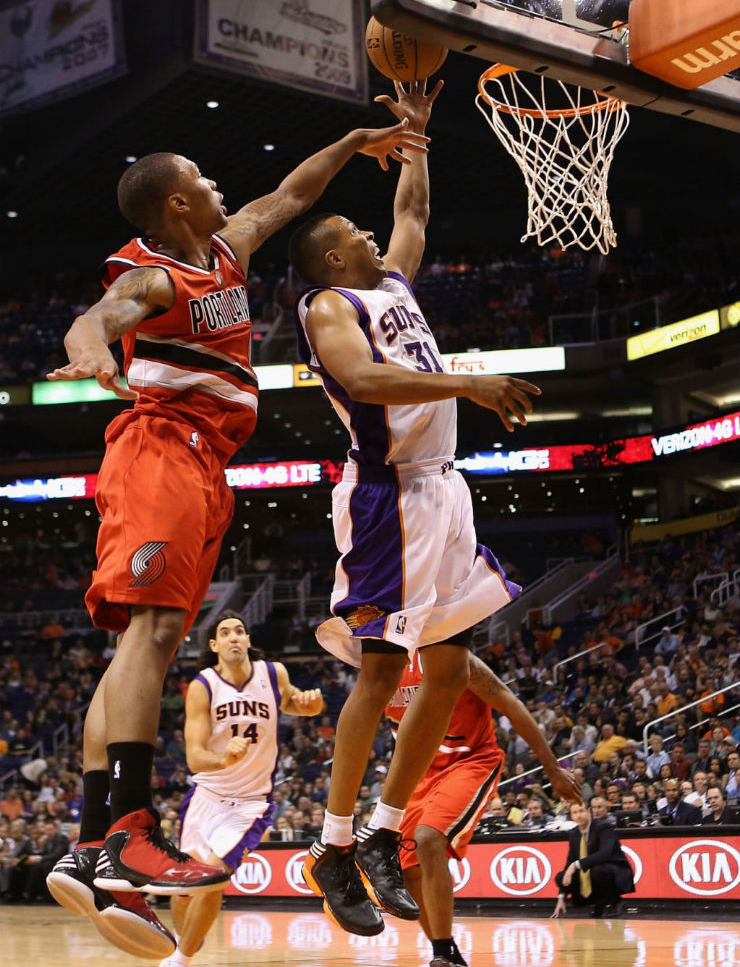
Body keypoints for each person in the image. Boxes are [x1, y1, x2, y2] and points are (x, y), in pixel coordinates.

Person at [44, 114, 427, 958]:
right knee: (149, 635)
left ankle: (90, 838)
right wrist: (90, 353)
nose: (222, 188)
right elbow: (98, 316)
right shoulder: (151, 279)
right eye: (205, 181)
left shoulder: (228, 248)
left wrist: (355, 144)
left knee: (142, 642)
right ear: (179, 202)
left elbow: (293, 194)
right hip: (161, 448)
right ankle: (132, 831)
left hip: (202, 463)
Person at [290, 80, 540, 936]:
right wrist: (468, 381)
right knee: (381, 671)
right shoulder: (331, 305)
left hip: (443, 487)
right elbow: (362, 380)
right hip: (386, 495)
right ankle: (330, 846)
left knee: (450, 666)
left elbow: (415, 212)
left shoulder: (393, 282)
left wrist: (420, 135)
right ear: (332, 259)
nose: (369, 233)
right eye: (353, 233)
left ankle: (383, 832)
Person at [386, 651, 580, 967]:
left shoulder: (453, 657)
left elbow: (510, 703)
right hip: (418, 771)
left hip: (470, 760)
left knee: (428, 837)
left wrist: (553, 768)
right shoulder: (382, 666)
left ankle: (441, 955)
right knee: (407, 870)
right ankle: (447, 953)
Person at [161, 610, 323, 967]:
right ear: (215, 645)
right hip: (206, 796)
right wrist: (223, 759)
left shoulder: (272, 673)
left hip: (250, 802)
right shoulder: (203, 686)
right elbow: (195, 757)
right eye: (225, 632)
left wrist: (312, 706)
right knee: (184, 890)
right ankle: (185, 941)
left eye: (240, 631)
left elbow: (295, 703)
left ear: (248, 641)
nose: (234, 637)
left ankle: (180, 959)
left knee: (213, 876)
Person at [551, 802, 635, 919]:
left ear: (588, 812)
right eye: (575, 812)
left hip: (615, 870)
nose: (579, 815)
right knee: (561, 877)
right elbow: (569, 863)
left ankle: (615, 901)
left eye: (581, 811)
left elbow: (604, 854)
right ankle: (595, 904)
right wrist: (561, 897)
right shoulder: (574, 834)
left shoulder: (603, 827)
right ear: (571, 816)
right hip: (592, 871)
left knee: (597, 870)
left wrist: (576, 865)